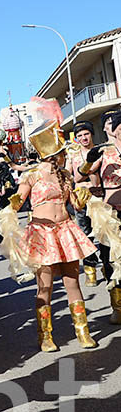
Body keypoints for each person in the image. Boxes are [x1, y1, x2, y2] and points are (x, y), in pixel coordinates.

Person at [0, 103, 98, 351]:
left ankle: (82, 332)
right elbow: (20, 199)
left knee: (72, 283)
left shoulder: (65, 175)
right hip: (42, 234)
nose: (65, 154)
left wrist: (83, 197)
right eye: (62, 151)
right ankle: (45, 335)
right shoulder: (31, 175)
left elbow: (74, 202)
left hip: (65, 230)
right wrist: (14, 201)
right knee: (45, 286)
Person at [77, 109, 121, 323]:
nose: (116, 126)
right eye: (111, 122)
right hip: (109, 215)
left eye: (118, 122)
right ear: (105, 128)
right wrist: (88, 163)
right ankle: (118, 306)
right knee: (110, 260)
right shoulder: (104, 152)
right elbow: (79, 175)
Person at [65, 120, 103, 286]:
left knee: (104, 234)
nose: (83, 138)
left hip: (100, 198)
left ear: (91, 134)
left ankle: (108, 266)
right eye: (79, 135)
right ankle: (90, 271)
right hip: (80, 199)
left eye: (86, 134)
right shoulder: (72, 154)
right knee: (85, 237)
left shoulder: (101, 151)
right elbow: (68, 175)